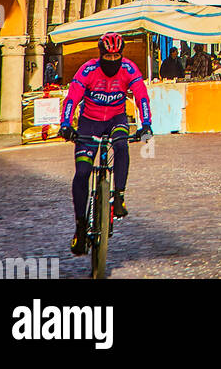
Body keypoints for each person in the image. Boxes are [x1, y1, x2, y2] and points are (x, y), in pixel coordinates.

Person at [58, 33, 152, 256]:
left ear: (122, 55)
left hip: (116, 119)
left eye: (116, 56)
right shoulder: (88, 70)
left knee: (121, 145)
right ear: (100, 55)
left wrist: (146, 124)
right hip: (89, 123)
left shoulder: (129, 69)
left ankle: (118, 196)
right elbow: (72, 98)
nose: (112, 60)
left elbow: (142, 96)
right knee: (82, 172)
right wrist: (65, 124)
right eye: (108, 56)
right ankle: (81, 226)